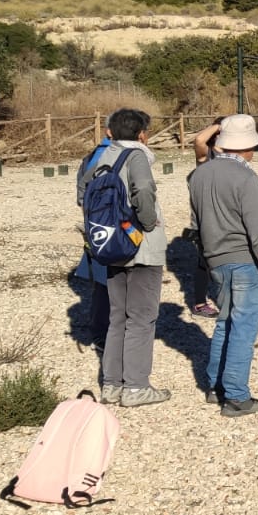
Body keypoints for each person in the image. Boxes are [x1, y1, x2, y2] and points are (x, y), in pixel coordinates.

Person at [188, 114, 258, 417]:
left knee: (225, 322)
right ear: (247, 146)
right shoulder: (246, 178)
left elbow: (197, 223)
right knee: (243, 330)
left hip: (215, 260)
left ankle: (215, 386)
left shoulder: (199, 175)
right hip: (245, 261)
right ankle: (235, 395)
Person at [93, 108, 170, 407]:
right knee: (141, 318)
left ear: (110, 131)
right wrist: (148, 222)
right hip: (140, 245)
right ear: (142, 134)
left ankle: (111, 385)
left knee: (117, 316)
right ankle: (137, 387)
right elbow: (143, 188)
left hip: (110, 243)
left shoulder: (103, 156)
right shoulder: (137, 156)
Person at [72, 134, 114, 362]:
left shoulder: (92, 155)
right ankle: (104, 335)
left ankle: (101, 332)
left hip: (94, 228)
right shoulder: (111, 156)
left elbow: (81, 196)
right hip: (109, 229)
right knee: (109, 283)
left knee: (101, 285)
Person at [185, 118, 224, 317]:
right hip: (205, 221)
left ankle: (227, 298)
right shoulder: (206, 156)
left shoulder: (230, 154)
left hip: (225, 219)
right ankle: (200, 303)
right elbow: (199, 140)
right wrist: (220, 125)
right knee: (205, 262)